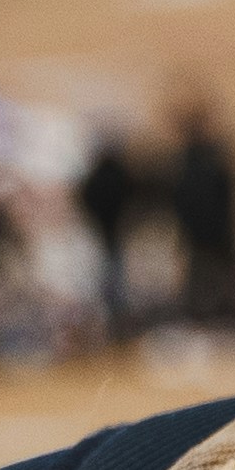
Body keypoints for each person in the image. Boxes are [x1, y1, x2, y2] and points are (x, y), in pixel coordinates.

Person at [158, 91, 235, 333]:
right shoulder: (204, 159)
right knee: (205, 297)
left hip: (211, 240)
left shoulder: (198, 161)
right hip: (207, 240)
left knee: (215, 297)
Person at [74, 117, 143, 327]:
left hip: (106, 234)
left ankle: (113, 317)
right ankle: (114, 317)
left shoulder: (101, 175)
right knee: (112, 278)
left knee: (110, 278)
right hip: (111, 234)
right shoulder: (122, 175)